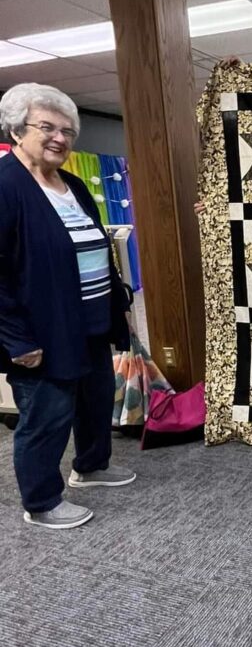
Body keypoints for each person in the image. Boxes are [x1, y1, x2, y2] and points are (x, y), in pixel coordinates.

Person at [0, 83, 137, 530]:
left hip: (89, 322)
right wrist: (16, 339)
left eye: (67, 131)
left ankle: (91, 466)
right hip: (42, 330)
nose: (60, 138)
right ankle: (41, 502)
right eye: (47, 127)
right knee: (48, 415)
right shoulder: (6, 186)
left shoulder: (72, 184)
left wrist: (117, 300)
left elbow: (94, 246)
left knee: (95, 399)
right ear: (18, 131)